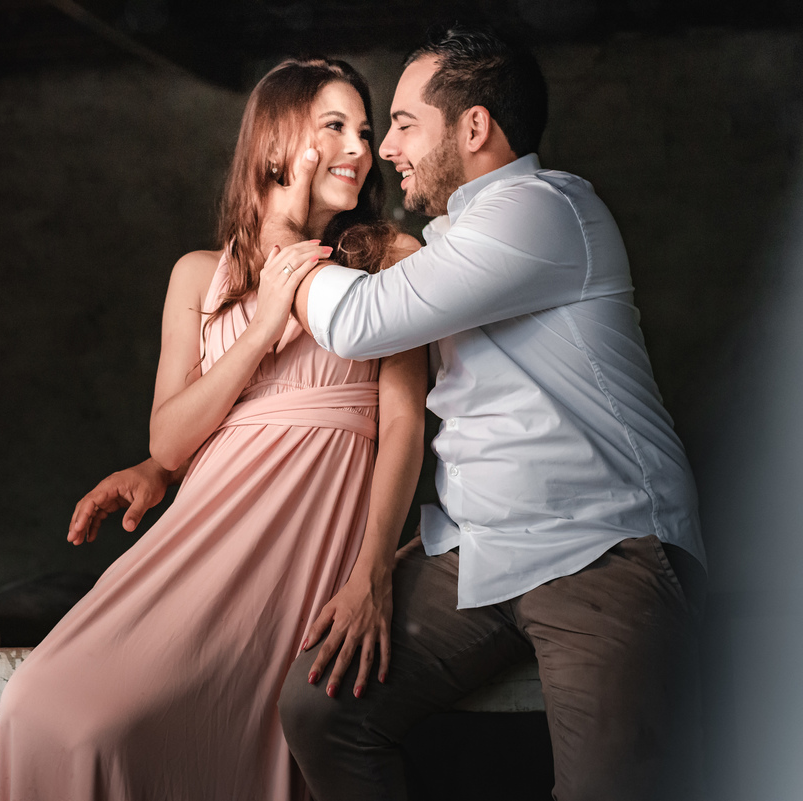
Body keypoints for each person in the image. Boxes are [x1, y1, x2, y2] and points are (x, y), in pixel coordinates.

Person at [78, 26, 708, 801]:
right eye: (349, 128)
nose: (382, 149)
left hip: (598, 548)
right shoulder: (442, 242)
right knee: (321, 707)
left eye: (399, 123)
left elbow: (362, 323)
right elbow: (188, 423)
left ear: (473, 127)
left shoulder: (539, 211)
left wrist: (282, 238)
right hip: (478, 551)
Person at [0, 58, 428, 801]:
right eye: (335, 126)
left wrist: (373, 570)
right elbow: (170, 441)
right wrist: (261, 326)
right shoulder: (198, 276)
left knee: (197, 735)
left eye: (365, 129)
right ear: (270, 143)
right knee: (39, 704)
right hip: (200, 548)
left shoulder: (392, 260)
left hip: (308, 559)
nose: (361, 147)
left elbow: (405, 425)